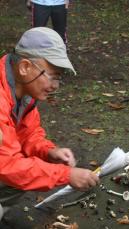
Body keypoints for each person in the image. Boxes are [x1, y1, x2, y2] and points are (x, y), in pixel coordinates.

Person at [0, 27, 99, 220]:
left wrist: (48, 152)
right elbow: (7, 164)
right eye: (52, 76)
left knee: (26, 172)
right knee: (17, 174)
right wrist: (66, 175)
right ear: (25, 67)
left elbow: (28, 134)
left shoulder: (21, 91)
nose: (55, 86)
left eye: (58, 78)